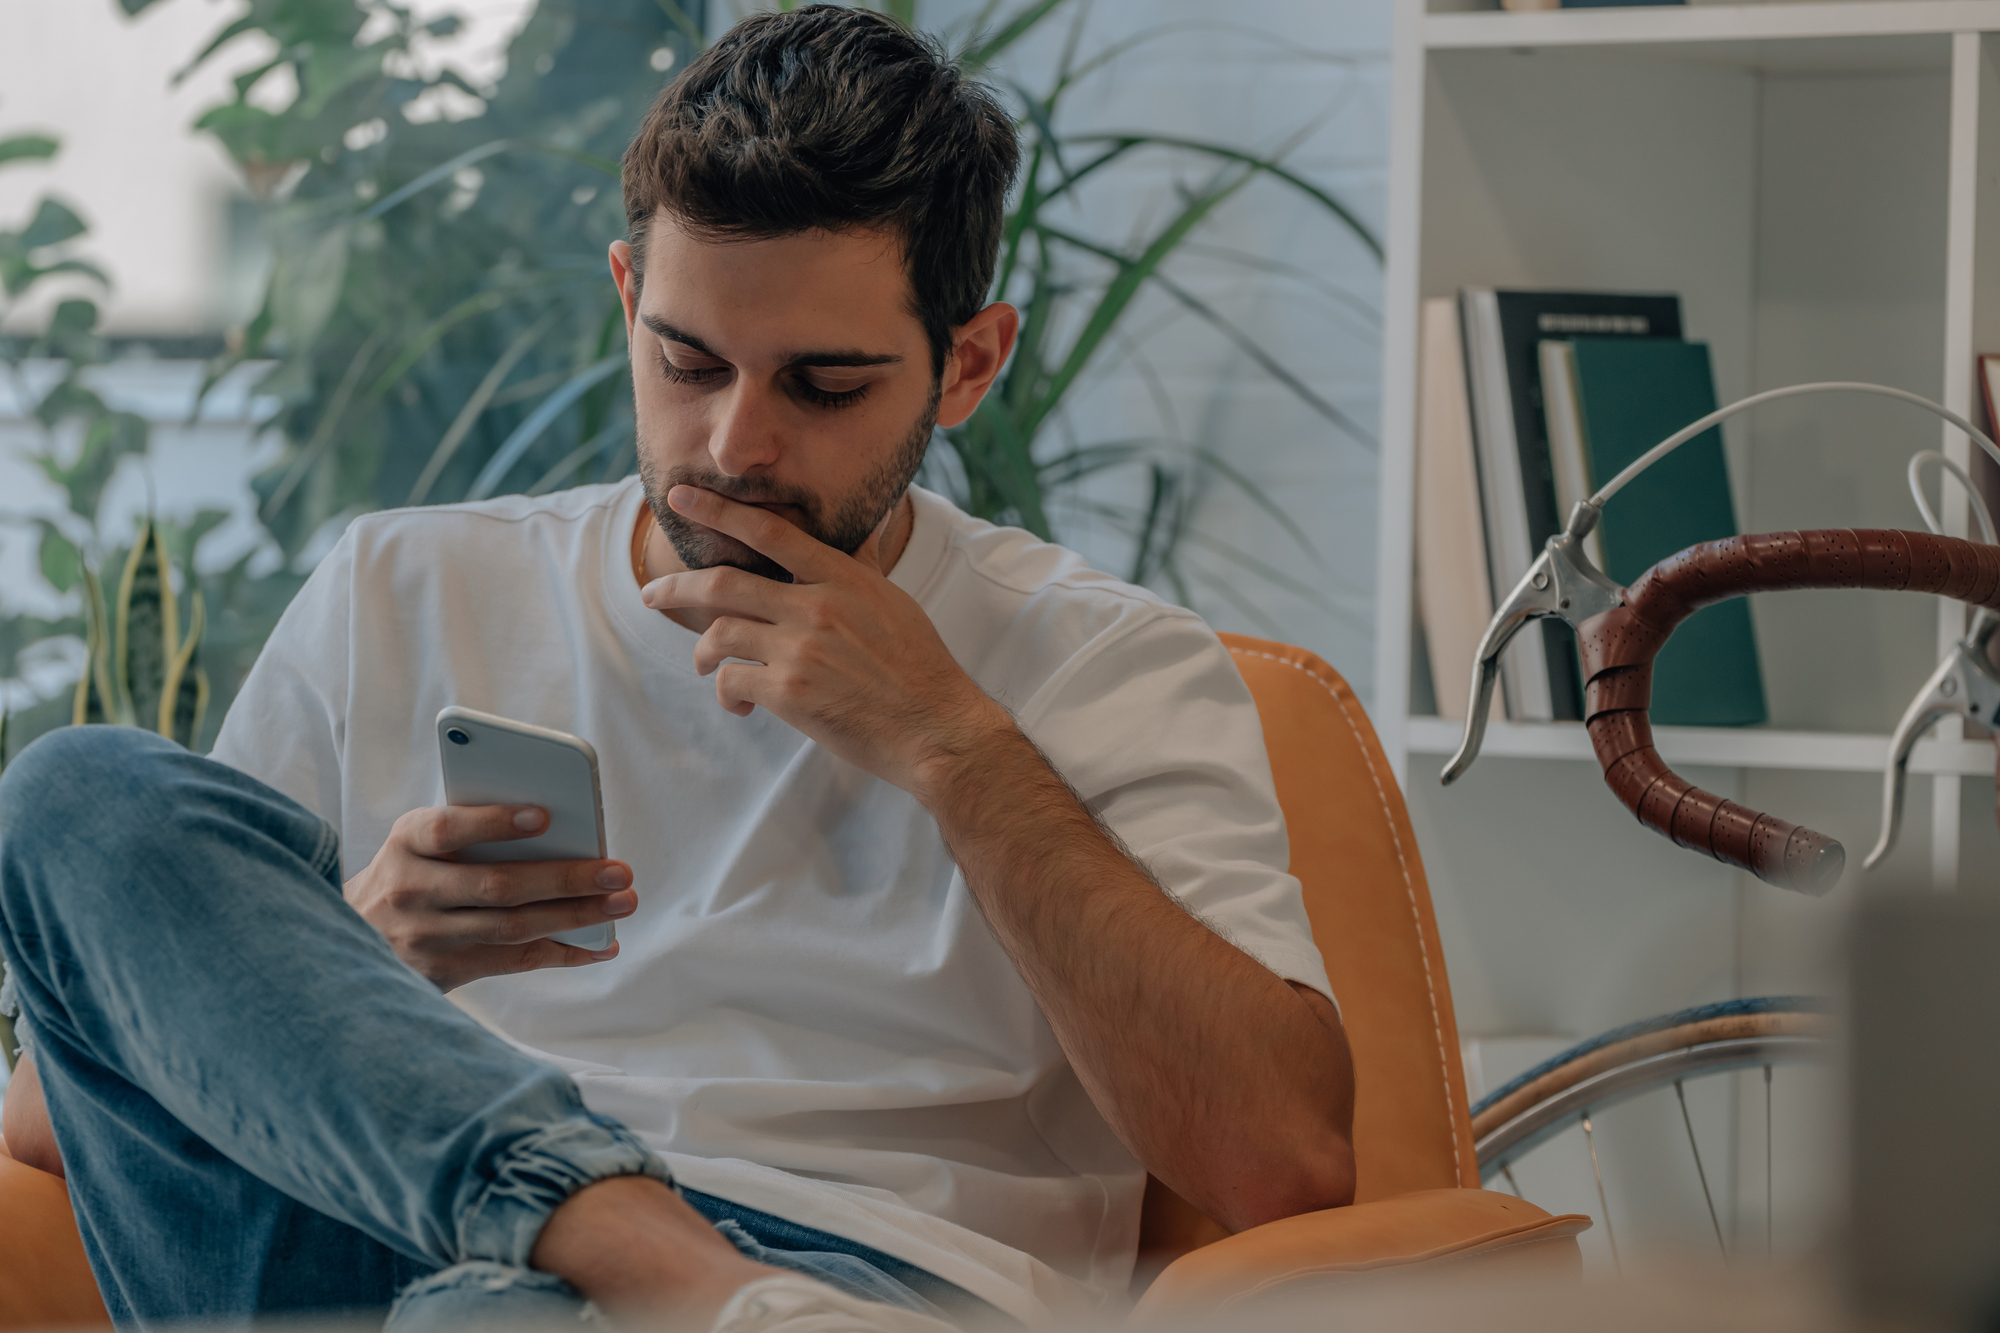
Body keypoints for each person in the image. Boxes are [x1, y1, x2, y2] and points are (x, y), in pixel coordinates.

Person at [0, 7, 1356, 1330]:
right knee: (76, 789)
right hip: (382, 1233)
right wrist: (363, 958)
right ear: (627, 295)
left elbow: (1282, 1158)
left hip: (859, 1271)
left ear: (969, 366)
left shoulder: (1105, 661)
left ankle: (630, 1270)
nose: (736, 444)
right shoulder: (401, 587)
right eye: (688, 359)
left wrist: (955, 745)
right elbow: (49, 1123)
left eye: (824, 386)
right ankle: (659, 1264)